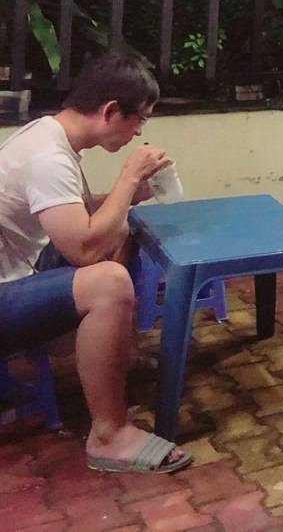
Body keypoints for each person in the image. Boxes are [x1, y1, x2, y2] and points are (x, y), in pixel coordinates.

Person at [0, 51, 193, 473]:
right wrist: (127, 177)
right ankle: (108, 436)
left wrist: (134, 193)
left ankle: (116, 355)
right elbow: (84, 250)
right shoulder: (47, 158)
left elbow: (76, 214)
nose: (138, 131)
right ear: (110, 111)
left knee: (120, 231)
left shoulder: (52, 136)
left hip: (20, 269)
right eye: (138, 120)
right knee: (108, 282)